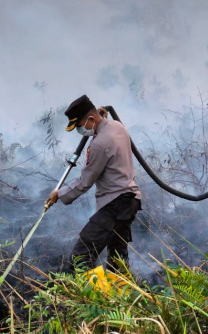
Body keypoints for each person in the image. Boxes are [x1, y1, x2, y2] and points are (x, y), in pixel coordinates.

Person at [45, 94, 142, 272]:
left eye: (80, 126)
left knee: (81, 256)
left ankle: (89, 297)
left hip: (116, 204)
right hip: (130, 201)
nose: (80, 130)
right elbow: (106, 132)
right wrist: (101, 121)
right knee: (117, 260)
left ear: (90, 118)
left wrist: (59, 194)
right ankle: (121, 294)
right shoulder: (117, 126)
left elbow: (85, 181)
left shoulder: (99, 143)